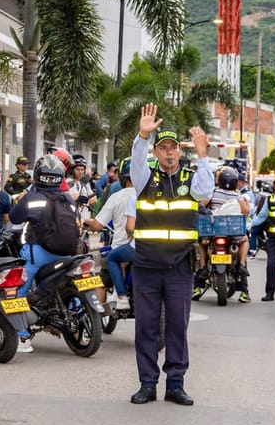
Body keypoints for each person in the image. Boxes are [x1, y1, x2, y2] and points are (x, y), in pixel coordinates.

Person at [129, 103, 214, 406]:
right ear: (156, 152)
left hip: (179, 266)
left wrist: (203, 155)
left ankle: (175, 384)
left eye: (173, 148)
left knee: (178, 326)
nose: (168, 153)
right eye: (163, 148)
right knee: (146, 327)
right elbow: (136, 162)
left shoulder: (191, 179)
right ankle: (147, 384)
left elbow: (206, 193)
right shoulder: (144, 178)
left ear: (179, 152)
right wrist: (142, 136)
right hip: (146, 265)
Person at [8, 154, 81, 353]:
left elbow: (14, 217)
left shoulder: (33, 198)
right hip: (67, 254)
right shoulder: (68, 199)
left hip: (39, 254)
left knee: (16, 292)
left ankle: (22, 336)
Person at [193, 166, 251, 302]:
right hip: (232, 233)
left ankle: (202, 270)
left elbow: (201, 205)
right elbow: (245, 211)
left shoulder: (213, 193)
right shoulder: (238, 196)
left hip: (213, 231)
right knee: (245, 240)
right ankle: (242, 268)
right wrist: (247, 203)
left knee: (202, 242)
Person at [85, 157, 136, 310]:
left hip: (122, 247)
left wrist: (86, 221)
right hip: (148, 248)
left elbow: (98, 225)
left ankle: (98, 317)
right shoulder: (149, 196)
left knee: (101, 282)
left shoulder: (117, 196)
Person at [67, 154, 97, 221]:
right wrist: (85, 200)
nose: (80, 172)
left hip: (85, 220)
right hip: (74, 219)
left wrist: (85, 201)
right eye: (77, 169)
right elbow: (75, 197)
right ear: (72, 170)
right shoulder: (69, 182)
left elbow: (94, 199)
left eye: (82, 169)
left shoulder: (85, 183)